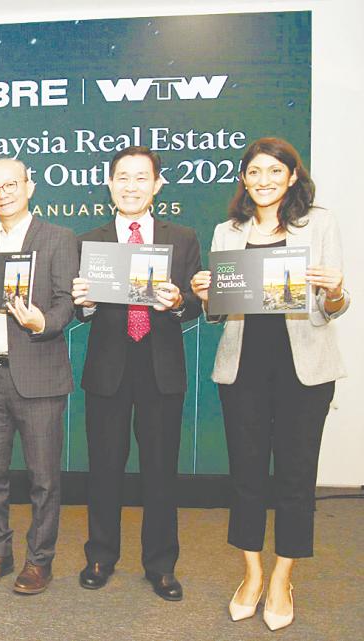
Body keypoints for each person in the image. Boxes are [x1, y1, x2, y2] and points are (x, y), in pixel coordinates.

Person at [190, 138, 349, 631]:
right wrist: (205, 294)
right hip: (243, 373)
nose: (264, 180)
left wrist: (336, 289)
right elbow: (218, 314)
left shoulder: (318, 223)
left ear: (292, 177)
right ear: (244, 179)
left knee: (297, 479)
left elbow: (332, 307)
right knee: (247, 477)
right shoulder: (227, 231)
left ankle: (284, 576)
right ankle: (252, 575)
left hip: (305, 372)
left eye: (274, 172)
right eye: (255, 172)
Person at [71, 146, 202, 601]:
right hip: (108, 368)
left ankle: (161, 564)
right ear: (109, 184)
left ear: (157, 185)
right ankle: (101, 556)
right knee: (104, 467)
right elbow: (83, 309)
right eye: (122, 178)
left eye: (141, 178)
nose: (131, 186)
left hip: (161, 367)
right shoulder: (91, 239)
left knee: (161, 469)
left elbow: (195, 303)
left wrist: (180, 301)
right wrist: (84, 303)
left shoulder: (182, 238)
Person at [0, 158, 77, 594]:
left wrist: (42, 323)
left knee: (43, 478)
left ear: (30, 186)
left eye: (11, 185)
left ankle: (38, 561)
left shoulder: (58, 239)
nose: (3, 194)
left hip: (40, 377)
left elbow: (67, 301)